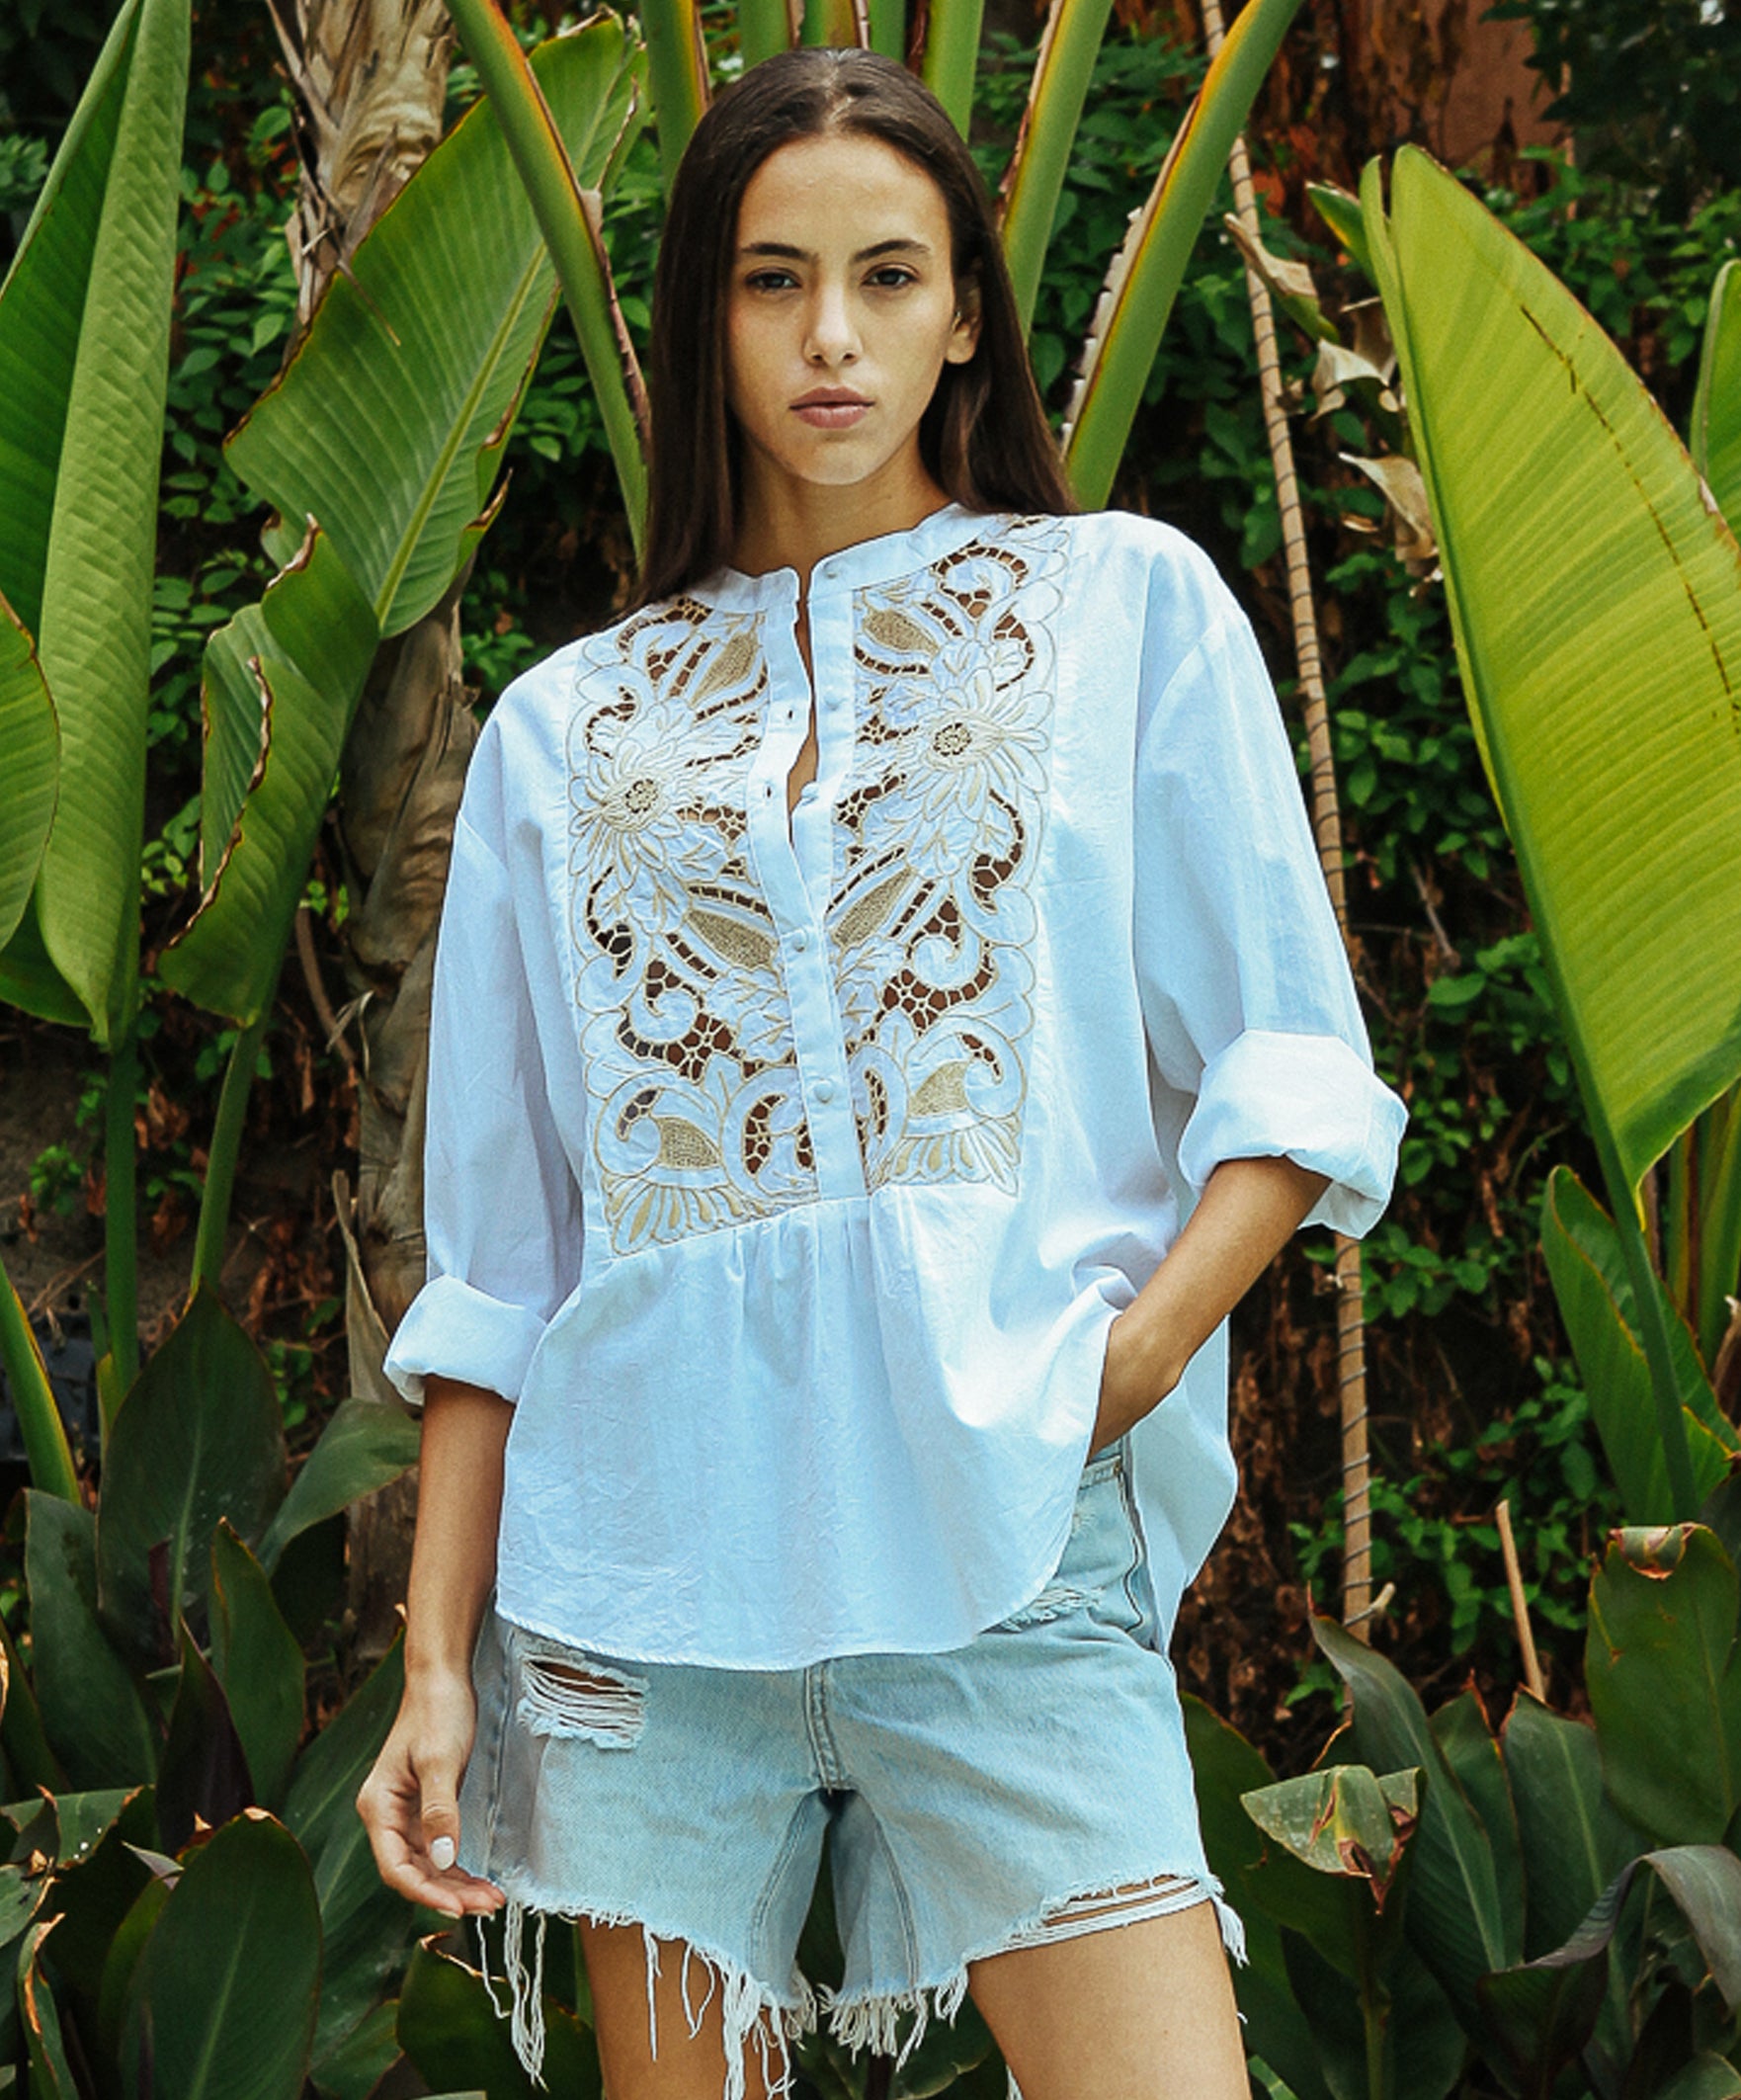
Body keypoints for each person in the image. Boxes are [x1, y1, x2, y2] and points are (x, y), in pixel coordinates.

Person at [357, 43, 1405, 2100]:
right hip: (639, 1613)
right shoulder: (560, 738)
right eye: (767, 280)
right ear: (699, 318)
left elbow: (1286, 1067)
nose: (828, 338)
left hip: (1014, 1553)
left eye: (886, 276)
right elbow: (503, 1257)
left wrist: (1121, 1361)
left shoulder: (1120, 612)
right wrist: (429, 1672)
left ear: (960, 319)